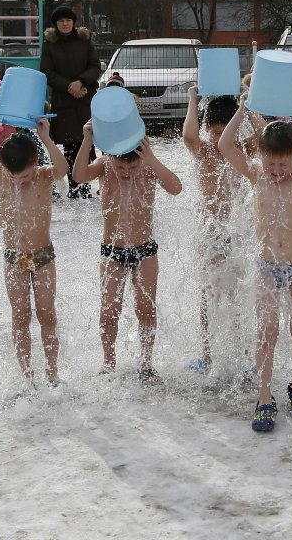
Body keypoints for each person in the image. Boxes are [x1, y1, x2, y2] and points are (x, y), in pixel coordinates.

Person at [218, 97, 292, 433]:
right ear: (261, 157)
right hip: (267, 267)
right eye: (271, 164)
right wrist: (242, 110)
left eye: (283, 165)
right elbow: (225, 144)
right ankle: (264, 396)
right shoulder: (256, 176)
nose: (277, 172)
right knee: (267, 332)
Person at [0, 111, 69, 388]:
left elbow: (63, 168)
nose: (19, 181)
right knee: (20, 316)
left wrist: (45, 138)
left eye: (24, 176)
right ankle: (27, 376)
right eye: (15, 176)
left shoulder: (44, 176)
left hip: (43, 258)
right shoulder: (0, 173)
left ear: (35, 162)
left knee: (47, 314)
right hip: (13, 259)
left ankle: (53, 372)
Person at [73, 121, 182, 385]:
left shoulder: (148, 168)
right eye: (122, 167)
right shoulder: (104, 166)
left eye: (132, 167)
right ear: (111, 158)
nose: (126, 172)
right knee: (109, 309)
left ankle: (146, 363)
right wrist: (87, 140)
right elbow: (78, 176)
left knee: (145, 308)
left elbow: (176, 187)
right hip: (112, 252)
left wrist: (150, 159)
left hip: (145, 250)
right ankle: (108, 362)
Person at [183, 86, 263, 372]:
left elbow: (266, 134)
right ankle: (206, 353)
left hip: (238, 230)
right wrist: (193, 99)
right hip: (211, 230)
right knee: (209, 291)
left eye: (225, 132)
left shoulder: (242, 149)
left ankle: (242, 351)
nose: (219, 139)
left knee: (239, 291)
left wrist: (248, 106)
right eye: (215, 132)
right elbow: (188, 136)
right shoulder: (204, 152)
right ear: (208, 129)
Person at [40, 6, 101, 199]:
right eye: (61, 21)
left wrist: (81, 82)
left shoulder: (85, 41)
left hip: (85, 98)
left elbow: (94, 66)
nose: (65, 24)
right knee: (69, 145)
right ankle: (74, 186)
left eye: (68, 20)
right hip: (63, 100)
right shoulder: (50, 45)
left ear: (74, 22)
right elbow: (47, 72)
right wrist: (68, 86)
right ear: (56, 24)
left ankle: (85, 185)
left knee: (87, 141)